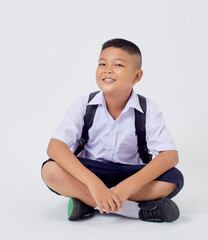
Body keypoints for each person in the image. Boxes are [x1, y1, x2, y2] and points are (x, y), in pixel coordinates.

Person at [41, 38, 184, 222]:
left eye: (118, 64)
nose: (108, 69)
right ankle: (134, 211)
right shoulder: (83, 105)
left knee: (173, 179)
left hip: (130, 173)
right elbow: (55, 147)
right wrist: (93, 183)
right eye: (102, 63)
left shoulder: (148, 109)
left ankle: (86, 202)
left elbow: (170, 156)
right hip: (89, 171)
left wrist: (127, 187)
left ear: (137, 76)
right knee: (50, 170)